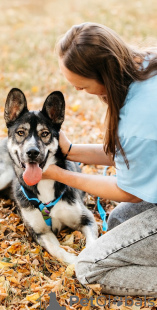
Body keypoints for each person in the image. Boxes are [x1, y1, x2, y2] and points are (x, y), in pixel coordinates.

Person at [42, 22, 157, 296]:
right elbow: (138, 157)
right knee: (118, 221)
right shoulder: (147, 63)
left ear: (104, 75)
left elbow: (128, 191)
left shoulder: (138, 122)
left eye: (82, 87)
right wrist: (69, 150)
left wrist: (60, 175)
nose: (80, 92)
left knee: (90, 269)